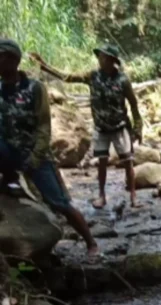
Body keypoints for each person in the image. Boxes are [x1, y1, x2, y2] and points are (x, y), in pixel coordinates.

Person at [0, 39, 99, 259]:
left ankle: (90, 242)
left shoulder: (34, 88)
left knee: (59, 203)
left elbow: (44, 126)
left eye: (1, 57)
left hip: (35, 153)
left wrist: (35, 157)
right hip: (8, 151)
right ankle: (9, 180)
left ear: (13, 60)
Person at [30, 44, 143, 209]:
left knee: (127, 162)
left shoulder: (122, 80)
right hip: (101, 127)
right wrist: (45, 66)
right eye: (100, 56)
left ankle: (134, 196)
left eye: (104, 57)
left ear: (112, 61)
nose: (100, 59)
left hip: (120, 126)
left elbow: (133, 104)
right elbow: (68, 77)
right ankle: (101, 196)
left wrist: (138, 128)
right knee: (102, 163)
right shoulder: (92, 76)